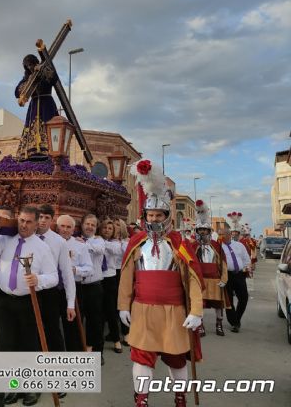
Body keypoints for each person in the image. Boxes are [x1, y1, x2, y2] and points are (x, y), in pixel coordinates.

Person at [118, 159, 203, 407]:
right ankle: (142, 400)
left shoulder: (180, 244)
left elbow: (194, 279)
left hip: (174, 312)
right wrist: (123, 305)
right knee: (141, 358)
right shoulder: (136, 243)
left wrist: (196, 311)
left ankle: (180, 398)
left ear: (166, 216)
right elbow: (126, 277)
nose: (154, 219)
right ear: (145, 215)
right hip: (142, 310)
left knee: (176, 359)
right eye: (151, 214)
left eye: (159, 215)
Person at [0, 205, 58, 407]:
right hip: (5, 301)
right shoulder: (6, 239)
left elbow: (53, 277)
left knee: (29, 346)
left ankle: (31, 388)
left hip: (29, 301)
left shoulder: (42, 248)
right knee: (5, 346)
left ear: (36, 224)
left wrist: (38, 279)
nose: (24, 225)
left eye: (29, 222)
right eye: (22, 221)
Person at [36, 204, 75, 352]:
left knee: (52, 329)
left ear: (52, 220)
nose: (42, 221)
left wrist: (70, 303)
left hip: (50, 292)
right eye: (40, 217)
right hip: (29, 290)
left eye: (47, 218)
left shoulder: (59, 242)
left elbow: (67, 273)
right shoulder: (28, 237)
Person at [191, 200, 229, 336]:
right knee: (199, 303)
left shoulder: (216, 245)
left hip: (215, 279)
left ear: (209, 231)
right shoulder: (193, 245)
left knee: (218, 304)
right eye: (200, 230)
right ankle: (200, 325)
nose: (202, 232)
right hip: (199, 280)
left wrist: (224, 279)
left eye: (204, 230)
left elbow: (223, 263)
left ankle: (219, 324)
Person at [56, 214, 93, 351]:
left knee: (73, 326)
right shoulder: (50, 242)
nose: (65, 230)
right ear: (57, 228)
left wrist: (75, 270)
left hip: (73, 288)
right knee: (52, 325)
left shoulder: (79, 245)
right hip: (54, 288)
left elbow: (89, 269)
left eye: (68, 227)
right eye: (62, 226)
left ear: (73, 230)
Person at [15, 54, 59, 161]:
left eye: (31, 64)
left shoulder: (44, 69)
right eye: (27, 66)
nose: (30, 67)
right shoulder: (27, 78)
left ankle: (51, 151)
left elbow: (54, 78)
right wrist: (29, 80)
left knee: (48, 126)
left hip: (47, 104)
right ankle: (30, 151)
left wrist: (42, 70)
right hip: (33, 107)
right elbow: (17, 92)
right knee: (32, 129)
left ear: (35, 62)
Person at [77, 214, 106, 363]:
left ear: (96, 228)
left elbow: (98, 250)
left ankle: (97, 351)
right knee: (77, 319)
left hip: (94, 287)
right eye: (87, 224)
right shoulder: (75, 240)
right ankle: (79, 349)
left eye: (92, 225)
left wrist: (84, 243)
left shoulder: (99, 241)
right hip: (78, 287)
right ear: (82, 225)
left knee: (95, 320)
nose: (89, 227)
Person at [223, 213, 252, 333]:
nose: (223, 236)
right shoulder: (219, 247)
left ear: (230, 234)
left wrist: (246, 268)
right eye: (221, 234)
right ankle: (234, 323)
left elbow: (246, 259)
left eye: (226, 234)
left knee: (244, 298)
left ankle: (237, 319)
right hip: (227, 276)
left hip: (239, 275)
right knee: (228, 300)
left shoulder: (239, 245)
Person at [100, 218, 124, 353]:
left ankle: (116, 340)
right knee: (99, 313)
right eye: (104, 228)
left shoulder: (116, 243)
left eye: (110, 228)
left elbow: (115, 251)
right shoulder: (95, 239)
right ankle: (99, 342)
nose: (107, 230)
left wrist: (98, 241)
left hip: (110, 278)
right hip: (98, 278)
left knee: (111, 311)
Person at [114, 218, 130, 346]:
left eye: (118, 224)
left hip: (122, 272)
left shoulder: (126, 242)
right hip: (109, 274)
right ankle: (114, 334)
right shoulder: (106, 240)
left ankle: (127, 332)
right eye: (114, 225)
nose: (116, 226)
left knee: (123, 302)